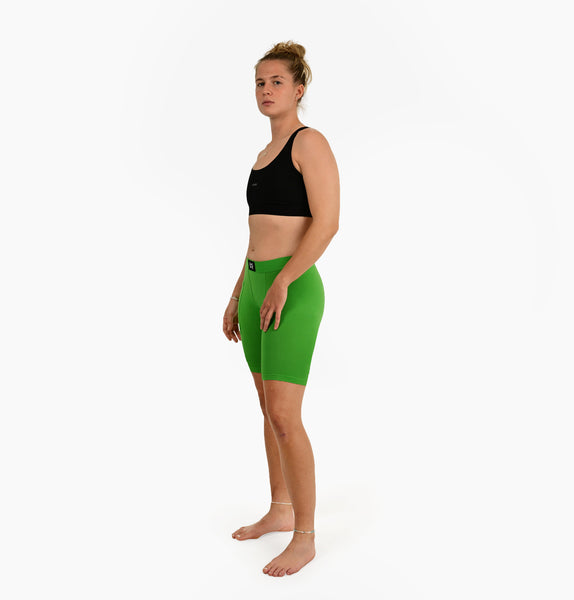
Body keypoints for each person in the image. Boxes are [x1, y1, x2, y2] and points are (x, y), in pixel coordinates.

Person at [222, 40, 340, 577]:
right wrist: (236, 294)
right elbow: (258, 236)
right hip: (255, 287)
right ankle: (280, 507)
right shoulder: (263, 155)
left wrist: (283, 281)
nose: (266, 90)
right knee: (268, 410)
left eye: (276, 82)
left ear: (298, 89)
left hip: (291, 290)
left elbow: (327, 223)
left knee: (287, 417)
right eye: (259, 83)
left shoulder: (308, 143)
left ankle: (305, 536)